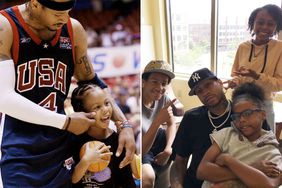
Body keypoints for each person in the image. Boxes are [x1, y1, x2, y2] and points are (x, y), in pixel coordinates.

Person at [0, 0, 135, 187]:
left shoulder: (74, 29)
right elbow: (3, 98)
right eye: (57, 14)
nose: (65, 19)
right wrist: (67, 122)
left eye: (68, 11)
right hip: (19, 148)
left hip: (60, 147)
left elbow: (90, 81)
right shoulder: (4, 25)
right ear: (35, 4)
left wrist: (124, 124)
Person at [170, 68, 270, 188]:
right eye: (199, 91)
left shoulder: (246, 113)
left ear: (220, 82)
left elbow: (268, 157)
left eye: (208, 85)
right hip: (195, 183)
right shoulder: (191, 118)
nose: (205, 92)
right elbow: (179, 162)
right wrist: (177, 185)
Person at [197, 82, 282, 188]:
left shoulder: (271, 150)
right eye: (237, 116)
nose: (241, 120)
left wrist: (228, 160)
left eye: (247, 113)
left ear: (263, 114)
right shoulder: (226, 134)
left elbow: (270, 184)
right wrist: (254, 168)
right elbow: (202, 171)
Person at [226, 4, 282, 132]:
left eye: (270, 24)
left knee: (266, 142)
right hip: (240, 101)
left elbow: (279, 84)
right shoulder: (243, 47)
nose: (264, 27)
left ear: (276, 26)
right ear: (253, 23)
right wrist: (235, 81)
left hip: (263, 104)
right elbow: (237, 74)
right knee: (239, 140)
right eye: (260, 22)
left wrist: (256, 76)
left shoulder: (279, 48)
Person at [71, 83, 136, 188]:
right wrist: (86, 161)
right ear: (83, 113)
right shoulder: (74, 139)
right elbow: (72, 179)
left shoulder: (118, 140)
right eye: (97, 107)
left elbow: (127, 182)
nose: (105, 109)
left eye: (107, 103)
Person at [142, 60, 177, 188]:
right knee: (147, 178)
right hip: (141, 144)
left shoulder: (164, 99)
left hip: (157, 137)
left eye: (164, 83)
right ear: (143, 82)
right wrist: (157, 121)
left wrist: (168, 148)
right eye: (154, 81)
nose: (159, 87)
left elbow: (171, 124)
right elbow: (142, 149)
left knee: (183, 149)